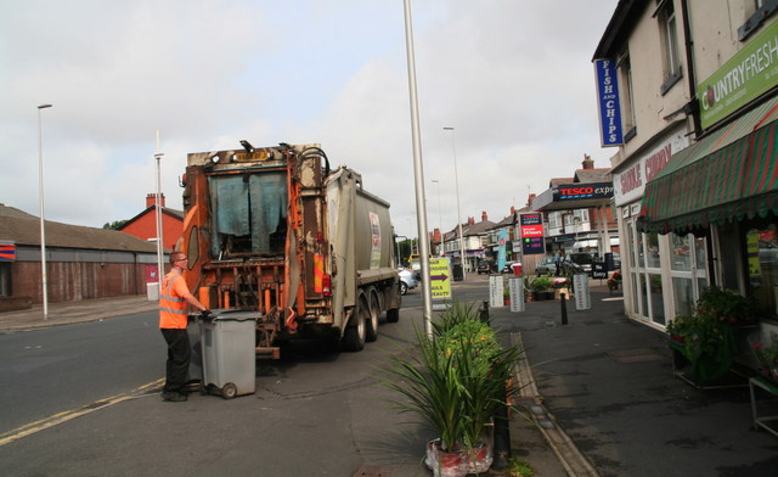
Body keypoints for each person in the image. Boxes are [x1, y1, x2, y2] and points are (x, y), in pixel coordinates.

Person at [159, 251, 209, 402]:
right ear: (176, 263)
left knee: (173, 359)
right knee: (182, 358)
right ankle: (173, 391)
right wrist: (204, 309)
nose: (187, 261)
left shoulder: (167, 278)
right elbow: (187, 296)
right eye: (184, 259)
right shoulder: (178, 279)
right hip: (175, 325)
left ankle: (169, 388)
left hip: (167, 324)